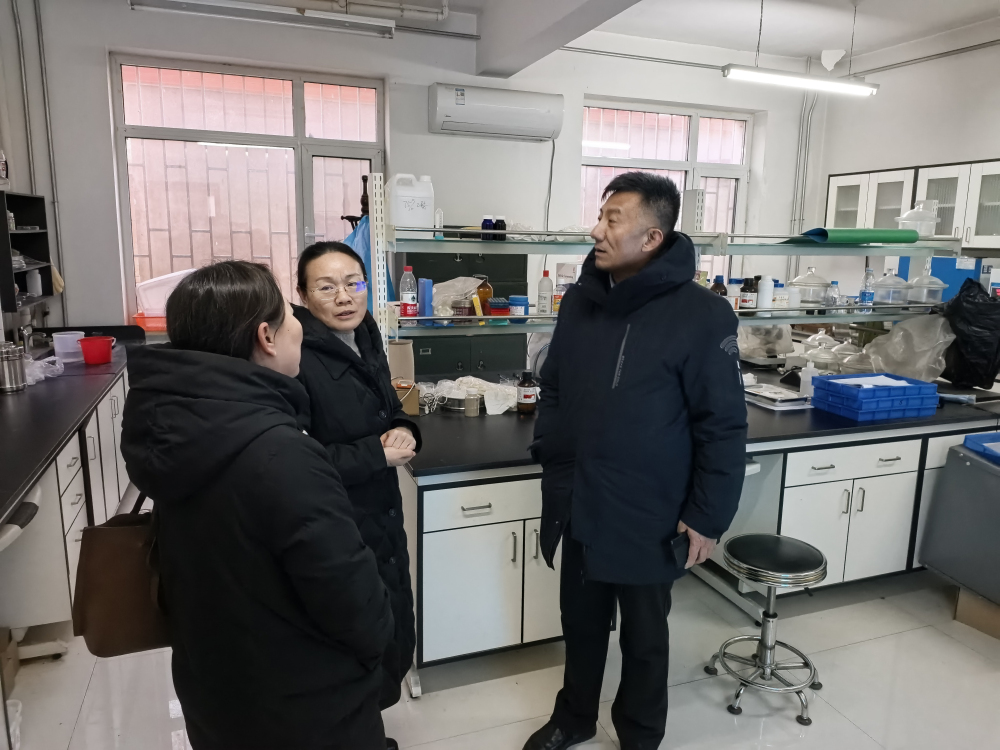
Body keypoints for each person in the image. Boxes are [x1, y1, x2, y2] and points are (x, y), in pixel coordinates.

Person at [121, 261, 394, 750]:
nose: (299, 327)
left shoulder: (178, 427)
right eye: (291, 315)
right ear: (266, 337)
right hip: (304, 706)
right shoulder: (282, 454)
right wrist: (375, 648)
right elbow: (352, 601)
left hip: (217, 687)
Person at [524, 172, 748, 750]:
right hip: (581, 496)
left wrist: (706, 515)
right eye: (600, 216)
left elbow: (722, 424)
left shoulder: (703, 315)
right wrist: (553, 453)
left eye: (612, 219)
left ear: (651, 237)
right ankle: (574, 717)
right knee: (580, 623)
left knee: (645, 638)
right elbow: (554, 385)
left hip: (651, 507)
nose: (596, 231)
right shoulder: (582, 299)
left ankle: (641, 735)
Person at [293, 242, 420, 746]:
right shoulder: (296, 356)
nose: (344, 297)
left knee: (388, 623)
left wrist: (405, 428)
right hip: (337, 520)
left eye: (354, 283)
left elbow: (389, 405)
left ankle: (368, 731)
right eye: (326, 287)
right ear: (303, 295)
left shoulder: (365, 333)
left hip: (381, 511)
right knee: (350, 637)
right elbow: (295, 460)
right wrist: (374, 455)